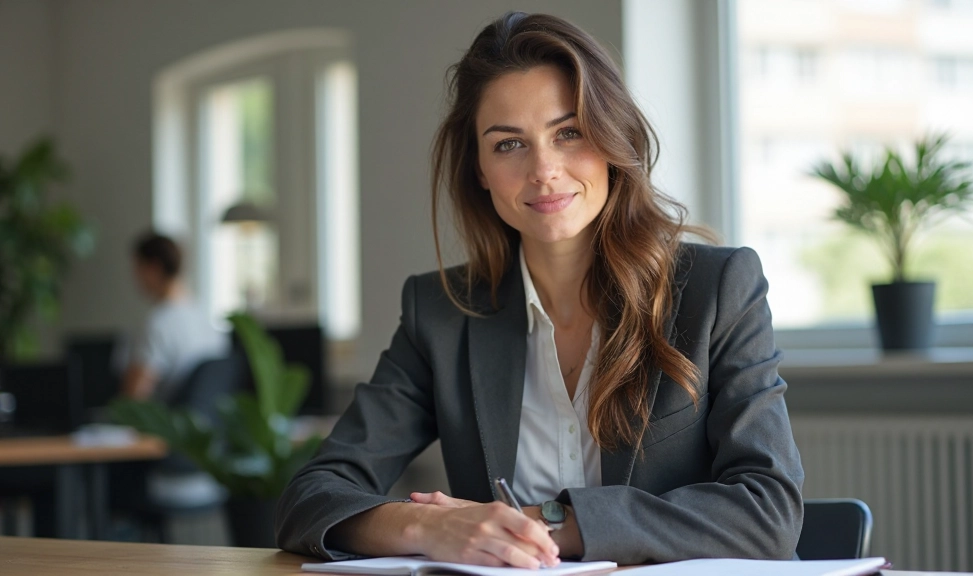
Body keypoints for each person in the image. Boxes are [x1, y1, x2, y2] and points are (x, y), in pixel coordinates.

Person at [276, 12, 804, 567]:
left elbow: (768, 511)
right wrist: (432, 525)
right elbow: (310, 499)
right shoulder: (442, 314)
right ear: (479, 168)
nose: (544, 170)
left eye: (568, 132)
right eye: (508, 145)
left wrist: (548, 523)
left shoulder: (717, 289)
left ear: (611, 137)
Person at [121, 232, 228, 402]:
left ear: (153, 268)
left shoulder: (158, 324)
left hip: (165, 427)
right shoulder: (207, 319)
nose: (135, 278)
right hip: (208, 426)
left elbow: (134, 400)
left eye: (137, 268)